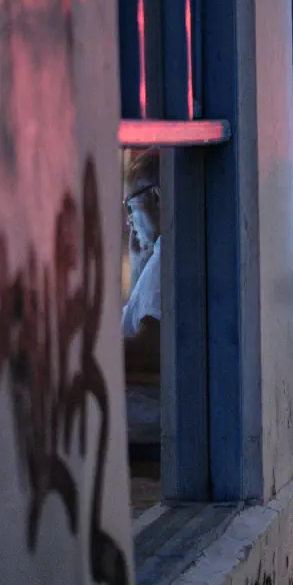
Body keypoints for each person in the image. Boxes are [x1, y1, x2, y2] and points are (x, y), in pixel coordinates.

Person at [122, 149, 163, 452]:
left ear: (157, 199)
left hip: (149, 408)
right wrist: (139, 266)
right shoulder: (160, 257)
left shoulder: (167, 259)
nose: (129, 221)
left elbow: (150, 351)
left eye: (130, 206)